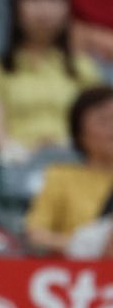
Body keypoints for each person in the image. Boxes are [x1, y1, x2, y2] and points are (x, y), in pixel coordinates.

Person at [0, 0, 101, 165]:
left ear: (66, 9)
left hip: (75, 161)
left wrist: (64, 149)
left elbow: (97, 125)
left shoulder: (83, 67)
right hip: (17, 161)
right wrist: (27, 152)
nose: (44, 8)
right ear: (16, 9)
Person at [25, 85, 113, 256]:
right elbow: (35, 235)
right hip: (77, 275)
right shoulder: (61, 176)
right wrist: (85, 245)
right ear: (80, 132)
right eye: (104, 121)